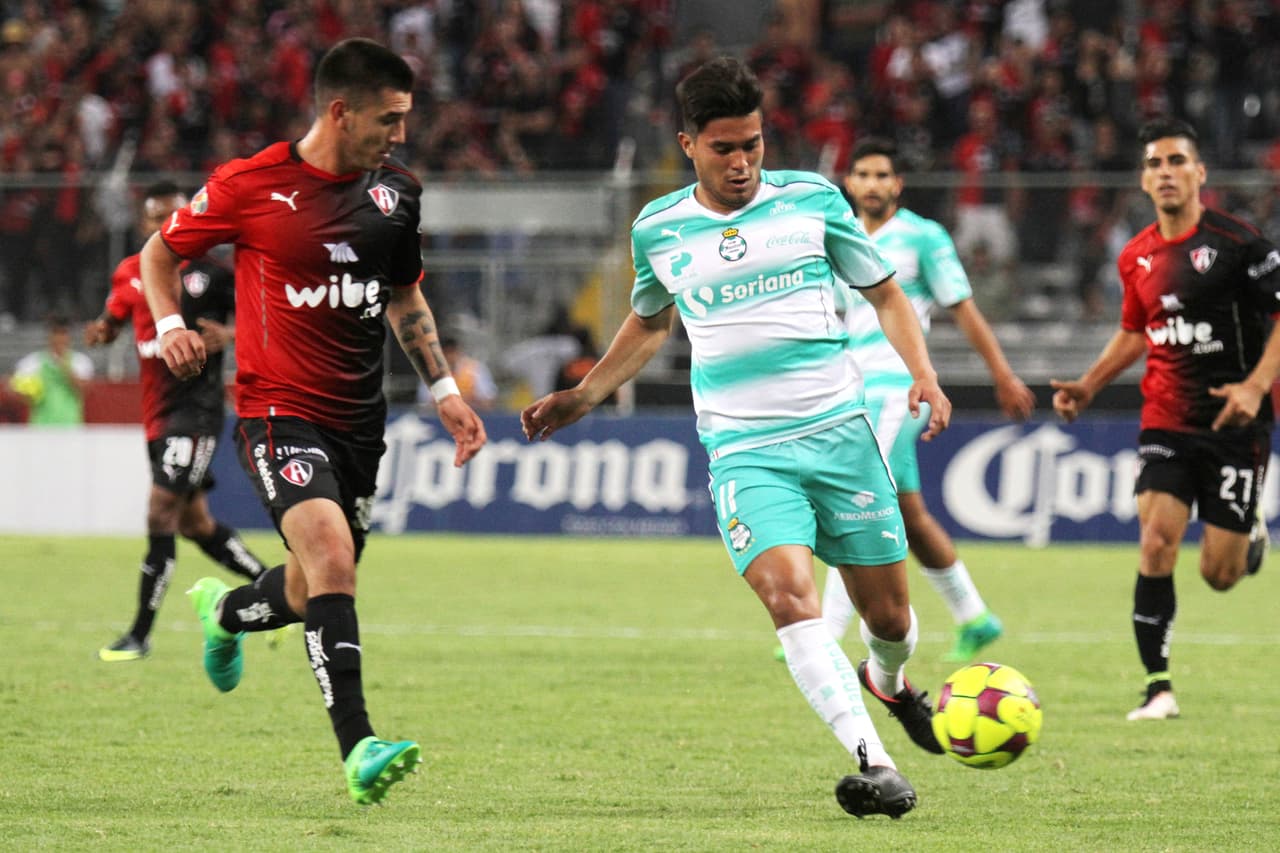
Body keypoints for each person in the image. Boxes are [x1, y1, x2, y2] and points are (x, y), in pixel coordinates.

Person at [522, 57, 951, 819]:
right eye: (724, 148)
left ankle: (888, 679)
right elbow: (651, 321)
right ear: (688, 143)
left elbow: (884, 291)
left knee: (890, 620)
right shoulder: (658, 227)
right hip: (746, 451)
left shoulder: (812, 201)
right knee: (789, 595)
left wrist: (924, 373)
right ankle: (872, 759)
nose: (743, 161)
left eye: (752, 143)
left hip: (840, 436)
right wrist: (587, 392)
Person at [141, 38, 488, 804]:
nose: (400, 135)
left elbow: (405, 297)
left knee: (309, 585)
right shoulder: (250, 184)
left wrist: (444, 391)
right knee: (333, 558)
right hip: (275, 412)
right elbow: (156, 256)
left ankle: (226, 611)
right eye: (389, 120)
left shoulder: (397, 191)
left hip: (361, 424)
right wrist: (170, 326)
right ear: (340, 111)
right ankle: (360, 747)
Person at [1051, 118, 1280, 722]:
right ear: (1143, 179)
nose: (1165, 172)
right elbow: (1135, 332)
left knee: (1220, 575)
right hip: (1166, 420)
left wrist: (1258, 386)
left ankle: (1247, 532)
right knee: (1155, 543)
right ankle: (1158, 687)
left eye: (1177, 161)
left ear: (1200, 173)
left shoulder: (1240, 244)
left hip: (1235, 423)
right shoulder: (1136, 256)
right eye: (1154, 163)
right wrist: (1088, 385)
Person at [816, 138, 1036, 663]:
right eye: (863, 174)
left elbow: (963, 309)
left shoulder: (922, 236)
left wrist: (1003, 376)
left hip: (900, 386)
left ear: (898, 184)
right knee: (909, 513)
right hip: (851, 388)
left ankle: (823, 636)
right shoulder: (838, 237)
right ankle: (975, 617)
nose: (872, 184)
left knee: (855, 492)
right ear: (850, 183)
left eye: (882, 175)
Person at [85, 181, 270, 663]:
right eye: (153, 218)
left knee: (159, 512)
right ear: (142, 223)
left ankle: (140, 634)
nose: (162, 226)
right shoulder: (130, 272)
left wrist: (226, 335)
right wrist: (103, 332)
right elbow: (114, 319)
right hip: (157, 415)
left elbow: (265, 319)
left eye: (172, 216)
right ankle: (277, 589)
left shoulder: (213, 274)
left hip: (197, 411)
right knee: (194, 522)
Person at [9, 314, 94, 425]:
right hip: (41, 427)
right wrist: (29, 394)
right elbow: (14, 390)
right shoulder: (32, 362)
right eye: (55, 333)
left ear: (69, 336)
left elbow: (84, 391)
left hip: (70, 427)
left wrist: (64, 367)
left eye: (63, 333)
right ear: (49, 335)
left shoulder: (80, 362)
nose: (59, 338)